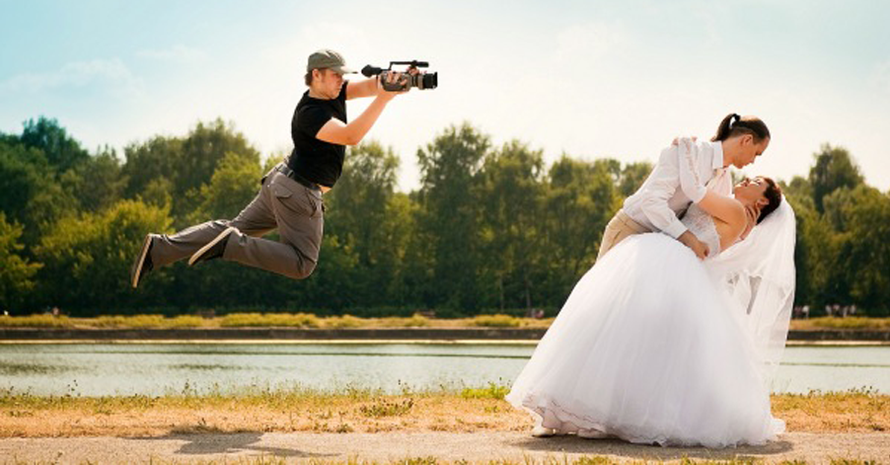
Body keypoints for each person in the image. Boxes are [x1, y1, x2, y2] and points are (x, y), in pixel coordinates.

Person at [506, 137, 796, 448]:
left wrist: (683, 152)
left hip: (673, 261)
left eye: (754, 182)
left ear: (762, 201)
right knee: (628, 335)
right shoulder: (736, 211)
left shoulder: (737, 211)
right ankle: (587, 408)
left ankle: (597, 408)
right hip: (669, 257)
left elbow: (697, 192)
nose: (746, 178)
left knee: (621, 331)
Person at [130, 49, 416, 288]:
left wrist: (399, 80)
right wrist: (385, 98)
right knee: (302, 263)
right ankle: (232, 245)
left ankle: (161, 248)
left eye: (343, 76)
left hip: (281, 184)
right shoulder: (310, 113)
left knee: (231, 229)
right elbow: (352, 136)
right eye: (335, 75)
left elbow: (370, 86)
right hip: (297, 192)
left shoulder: (335, 93)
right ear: (315, 75)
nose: (341, 80)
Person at [597, 113, 771, 261]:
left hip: (662, 246)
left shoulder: (726, 180)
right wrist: (688, 238)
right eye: (757, 153)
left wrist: (741, 234)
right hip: (631, 229)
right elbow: (651, 201)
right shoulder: (689, 151)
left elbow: (710, 225)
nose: (753, 161)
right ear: (747, 140)